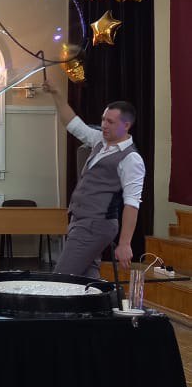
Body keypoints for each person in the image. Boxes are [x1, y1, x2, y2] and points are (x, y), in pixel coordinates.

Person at [43, 79, 145, 278]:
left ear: (126, 126)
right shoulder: (100, 141)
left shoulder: (131, 159)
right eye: (103, 120)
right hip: (81, 221)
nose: (104, 125)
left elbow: (132, 203)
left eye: (110, 122)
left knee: (61, 279)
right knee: (87, 280)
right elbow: (73, 124)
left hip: (95, 225)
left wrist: (125, 243)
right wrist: (57, 94)